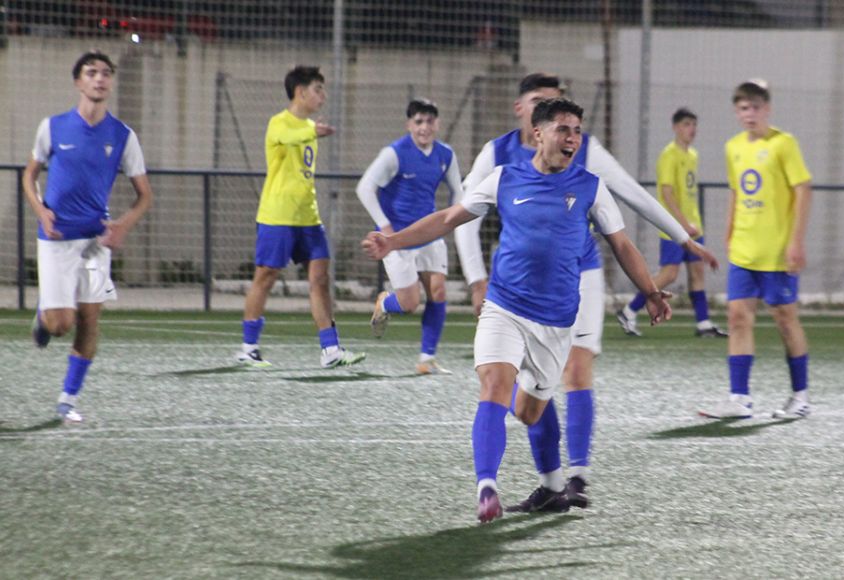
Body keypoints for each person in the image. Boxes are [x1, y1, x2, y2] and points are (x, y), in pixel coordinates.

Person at [363, 98, 671, 523]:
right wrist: (394, 241)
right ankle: (486, 486)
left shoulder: (589, 187)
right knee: (494, 385)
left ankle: (551, 485)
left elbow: (622, 245)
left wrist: (651, 291)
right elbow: (450, 217)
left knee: (529, 411)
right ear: (538, 132)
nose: (573, 139)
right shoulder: (503, 178)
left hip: (555, 322)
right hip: (504, 306)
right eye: (564, 129)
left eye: (578, 130)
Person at [454, 73, 717, 513]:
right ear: (524, 112)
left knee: (576, 370)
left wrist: (682, 238)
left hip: (579, 276)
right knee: (523, 392)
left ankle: (577, 476)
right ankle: (552, 482)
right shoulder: (496, 157)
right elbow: (459, 215)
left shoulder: (583, 150)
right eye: (541, 102)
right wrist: (476, 277)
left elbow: (630, 193)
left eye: (557, 103)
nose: (561, 119)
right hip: (516, 284)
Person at [24, 51, 154, 423]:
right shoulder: (53, 127)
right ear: (78, 82)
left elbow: (144, 194)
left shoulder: (123, 136)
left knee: (90, 320)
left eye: (105, 74)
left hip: (96, 241)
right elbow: (29, 175)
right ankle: (44, 315)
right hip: (56, 237)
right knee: (60, 324)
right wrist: (41, 211)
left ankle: (68, 399)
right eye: (91, 73)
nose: (99, 79)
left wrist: (123, 224)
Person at [235, 65, 365, 369]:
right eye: (318, 89)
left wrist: (312, 130)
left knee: (320, 278)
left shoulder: (307, 127)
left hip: (308, 217)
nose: (323, 95)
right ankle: (248, 347)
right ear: (300, 92)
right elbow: (288, 136)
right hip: (277, 215)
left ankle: (330, 350)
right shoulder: (279, 123)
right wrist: (313, 131)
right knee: (265, 278)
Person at [699, 79, 812, 420]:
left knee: (784, 319)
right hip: (745, 250)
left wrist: (796, 241)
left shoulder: (783, 144)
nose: (750, 114)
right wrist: (730, 229)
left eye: (756, 108)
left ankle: (800, 397)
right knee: (737, 318)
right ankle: (740, 399)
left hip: (776, 251)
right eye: (744, 108)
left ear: (768, 109)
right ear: (737, 112)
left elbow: (803, 190)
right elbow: (736, 190)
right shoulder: (733, 147)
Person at [356, 99, 464, 375]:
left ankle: (426, 359)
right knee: (409, 304)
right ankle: (384, 302)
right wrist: (385, 226)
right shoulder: (394, 153)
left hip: (429, 233)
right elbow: (365, 188)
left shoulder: (445, 154)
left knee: (438, 291)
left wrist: (452, 219)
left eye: (430, 121)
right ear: (409, 125)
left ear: (437, 124)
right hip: (397, 239)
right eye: (418, 122)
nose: (424, 127)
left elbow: (458, 191)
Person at [617, 108, 727, 338]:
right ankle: (629, 311)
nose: (692, 129)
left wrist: (693, 223)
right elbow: (667, 194)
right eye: (687, 124)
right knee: (669, 274)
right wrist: (682, 224)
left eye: (694, 124)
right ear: (676, 127)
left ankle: (704, 322)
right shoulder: (669, 155)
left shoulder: (692, 155)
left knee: (697, 272)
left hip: (693, 226)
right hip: (674, 228)